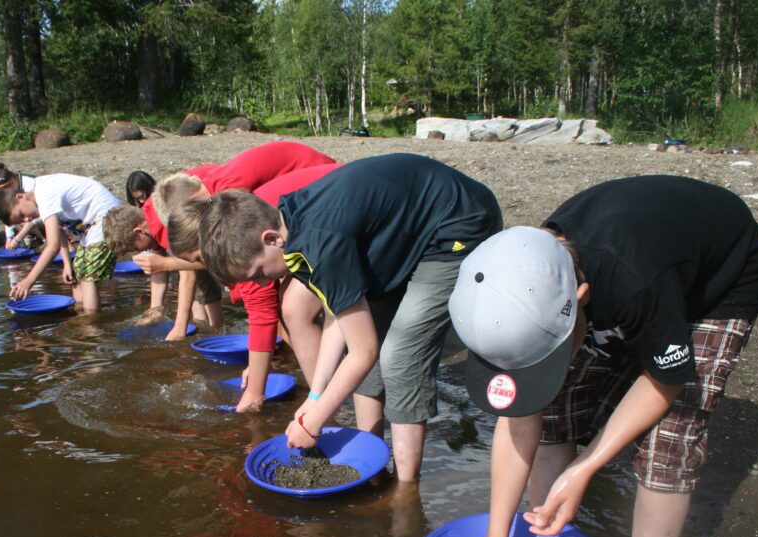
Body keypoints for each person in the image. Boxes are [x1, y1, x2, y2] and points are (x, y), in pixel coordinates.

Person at [442, 176, 758, 537]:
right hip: (628, 275)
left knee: (669, 439)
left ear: (579, 299)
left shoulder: (636, 280)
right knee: (554, 410)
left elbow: (668, 380)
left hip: (717, 276)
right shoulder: (518, 275)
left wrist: (588, 465)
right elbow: (522, 418)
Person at [198, 153, 502, 479]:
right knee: (363, 360)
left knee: (400, 355)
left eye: (257, 273)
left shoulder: (320, 243)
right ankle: (370, 460)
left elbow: (364, 351)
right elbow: (337, 319)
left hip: (458, 225)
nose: (260, 284)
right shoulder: (292, 231)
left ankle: (405, 487)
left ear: (270, 240)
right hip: (404, 234)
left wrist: (314, 421)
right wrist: (315, 397)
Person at [167, 163, 340, 412]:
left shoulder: (238, 243)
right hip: (323, 215)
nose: (199, 266)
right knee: (290, 304)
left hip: (335, 218)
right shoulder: (231, 225)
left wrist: (254, 391)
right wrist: (260, 364)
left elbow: (262, 315)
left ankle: (324, 404)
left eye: (197, 259)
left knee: (294, 307)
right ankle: (322, 392)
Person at [132, 141, 335, 341]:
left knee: (291, 302)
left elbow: (259, 296)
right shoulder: (213, 196)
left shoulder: (230, 199)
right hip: (306, 192)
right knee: (285, 296)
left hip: (321, 183)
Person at [0, 173, 122, 313]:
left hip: (108, 215)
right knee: (78, 271)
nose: (26, 220)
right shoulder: (39, 201)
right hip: (92, 224)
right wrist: (67, 264)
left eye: (21, 215)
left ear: (20, 196)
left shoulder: (44, 194)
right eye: (21, 221)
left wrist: (29, 280)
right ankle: (83, 313)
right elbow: (60, 230)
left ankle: (91, 326)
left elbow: (53, 246)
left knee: (88, 278)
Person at [0, 162, 43, 247]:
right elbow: (8, 213)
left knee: (22, 218)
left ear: (13, 183)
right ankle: (31, 239)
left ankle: (45, 240)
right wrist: (9, 238)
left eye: (1, 190)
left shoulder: (30, 184)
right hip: (31, 218)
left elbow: (41, 214)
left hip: (43, 214)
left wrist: (18, 238)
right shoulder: (5, 191)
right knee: (16, 218)